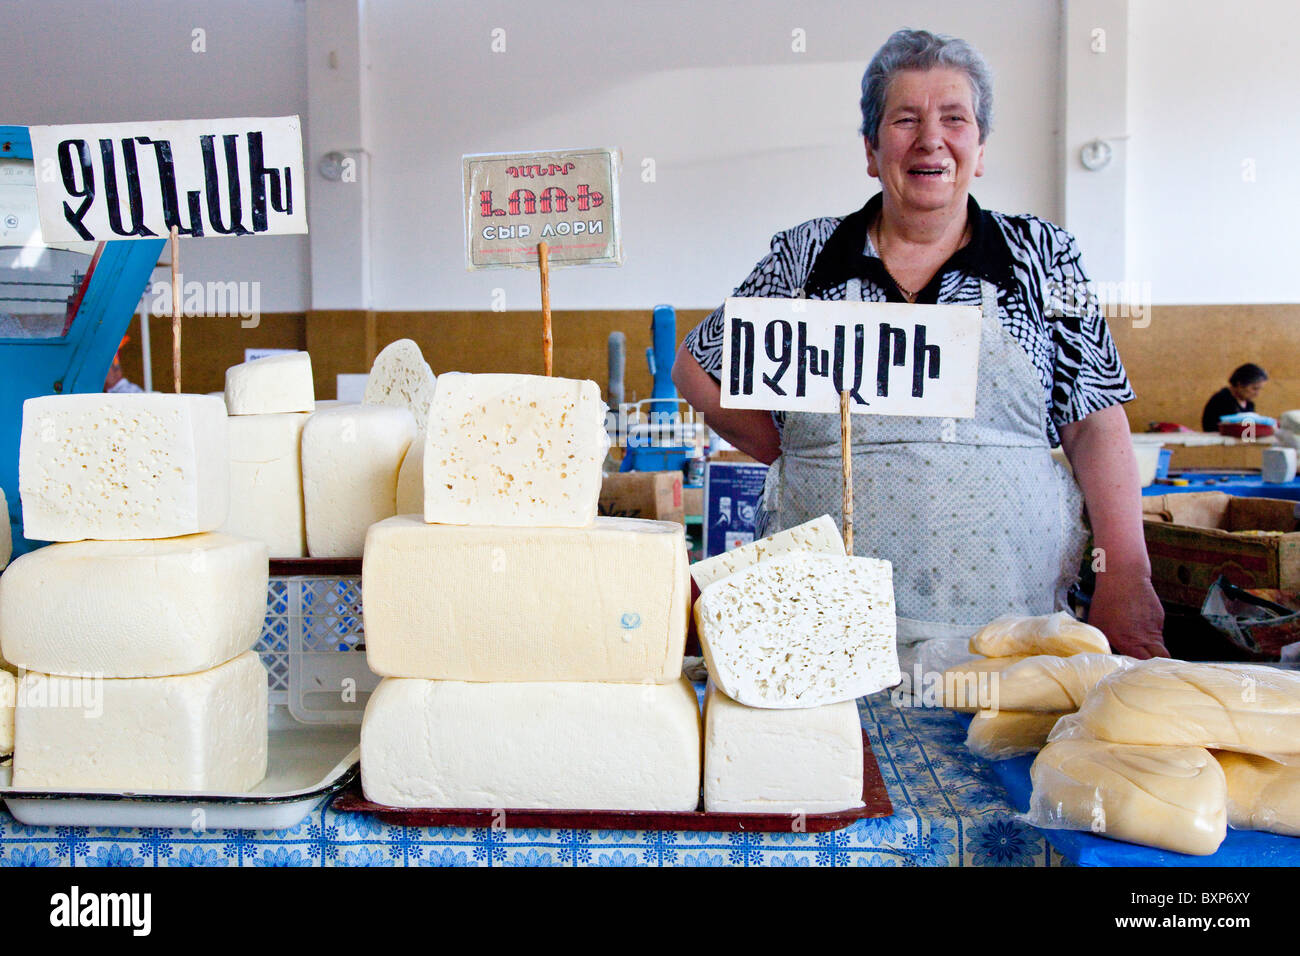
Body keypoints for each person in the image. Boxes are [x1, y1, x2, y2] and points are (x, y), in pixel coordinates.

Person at [673, 29, 1167, 660]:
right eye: (904, 119)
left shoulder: (1046, 258)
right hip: (826, 629)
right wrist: (793, 450)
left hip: (1012, 630)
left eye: (954, 118)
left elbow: (1095, 421)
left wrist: (1127, 573)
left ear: (980, 148)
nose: (930, 139)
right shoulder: (807, 259)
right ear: (871, 151)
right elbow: (695, 367)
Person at [1201, 363, 1267, 432]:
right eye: (1254, 389)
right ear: (1240, 384)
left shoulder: (1249, 404)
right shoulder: (1222, 400)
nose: (1257, 394)